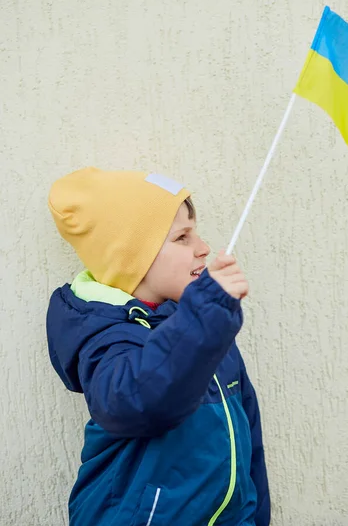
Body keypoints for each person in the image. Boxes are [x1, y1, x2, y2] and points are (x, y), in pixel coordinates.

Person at [46, 167, 270, 525]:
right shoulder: (107, 334)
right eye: (183, 237)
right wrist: (206, 315)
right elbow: (138, 401)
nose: (203, 248)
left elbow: (247, 441)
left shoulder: (204, 325)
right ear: (132, 256)